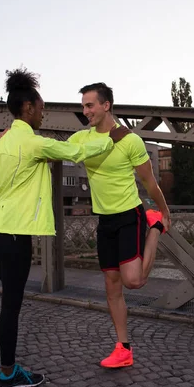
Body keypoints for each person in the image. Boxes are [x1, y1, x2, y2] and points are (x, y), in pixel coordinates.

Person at [0, 69, 130, 387]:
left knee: (9, 289)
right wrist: (110, 138)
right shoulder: (35, 143)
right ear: (28, 109)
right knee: (11, 302)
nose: (43, 112)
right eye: (40, 107)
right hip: (17, 231)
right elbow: (76, 152)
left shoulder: (4, 142)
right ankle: (7, 374)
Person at [67, 82, 171, 368]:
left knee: (134, 281)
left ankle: (154, 230)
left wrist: (163, 211)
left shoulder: (131, 141)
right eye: (83, 106)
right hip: (105, 220)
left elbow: (149, 181)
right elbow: (51, 149)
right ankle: (123, 349)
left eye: (89, 105)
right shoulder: (81, 140)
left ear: (106, 105)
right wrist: (15, 134)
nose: (85, 111)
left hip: (129, 215)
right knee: (112, 286)